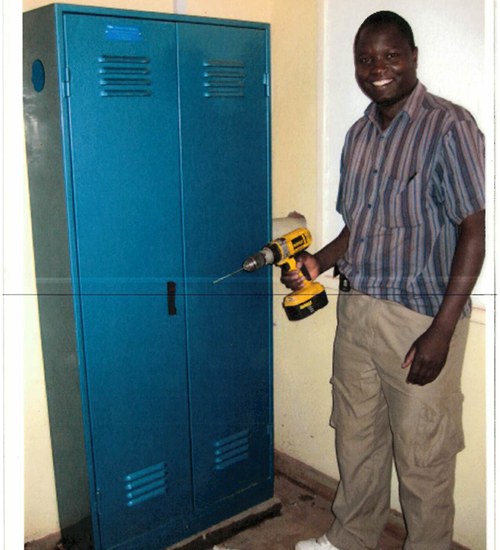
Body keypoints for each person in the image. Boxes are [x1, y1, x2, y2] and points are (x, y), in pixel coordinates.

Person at [282, 11, 485, 550]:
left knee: (423, 458)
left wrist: (441, 331)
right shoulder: (357, 136)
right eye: (366, 59)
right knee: (357, 444)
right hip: (356, 315)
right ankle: (349, 539)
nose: (378, 69)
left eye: (390, 55)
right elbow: (360, 226)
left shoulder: (450, 126)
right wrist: (318, 263)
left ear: (413, 57)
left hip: (417, 321)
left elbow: (474, 229)